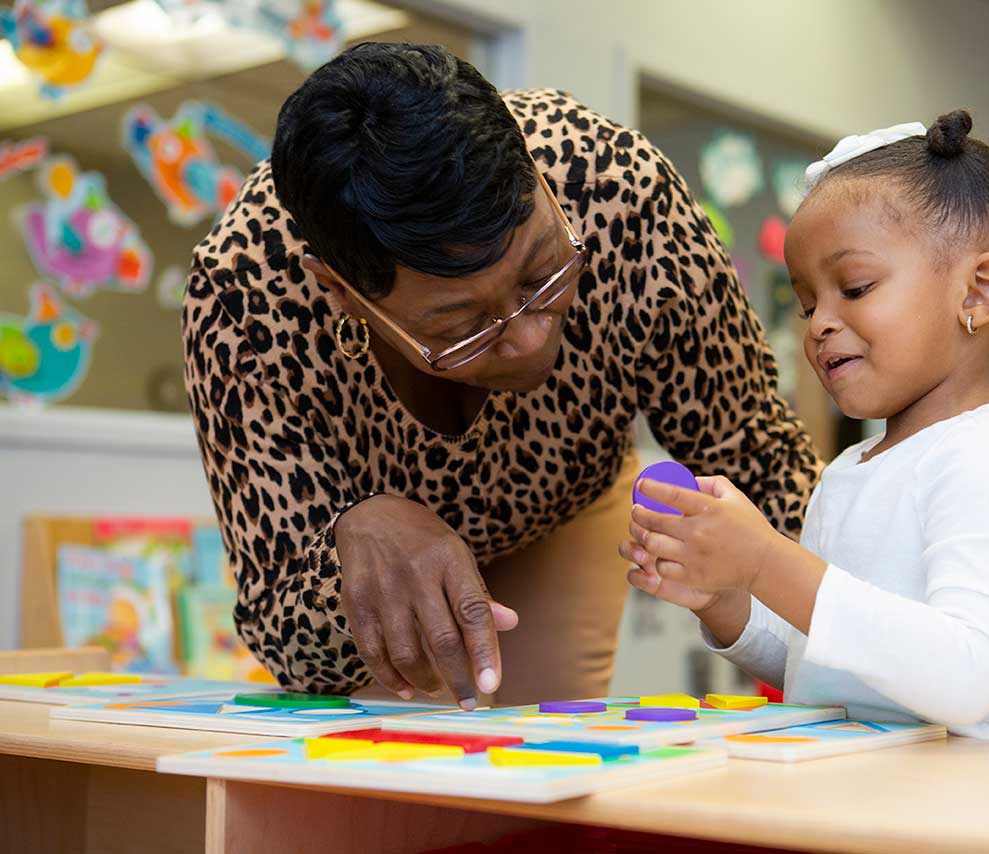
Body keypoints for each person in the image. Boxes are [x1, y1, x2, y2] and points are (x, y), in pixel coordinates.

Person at [182, 42, 822, 707]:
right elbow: (288, 633)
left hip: (563, 505)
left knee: (545, 745)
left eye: (542, 272)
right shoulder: (242, 296)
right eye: (460, 326)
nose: (528, 336)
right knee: (391, 769)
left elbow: (759, 462)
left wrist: (871, 649)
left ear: (539, 181)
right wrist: (351, 529)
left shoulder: (618, 189)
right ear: (340, 291)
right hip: (374, 562)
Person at [623, 111, 989, 741]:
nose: (818, 325)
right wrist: (724, 598)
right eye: (808, 304)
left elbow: (967, 675)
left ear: (978, 292)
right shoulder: (846, 474)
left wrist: (764, 559)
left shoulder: (987, 457)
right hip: (846, 800)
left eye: (854, 288)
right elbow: (822, 663)